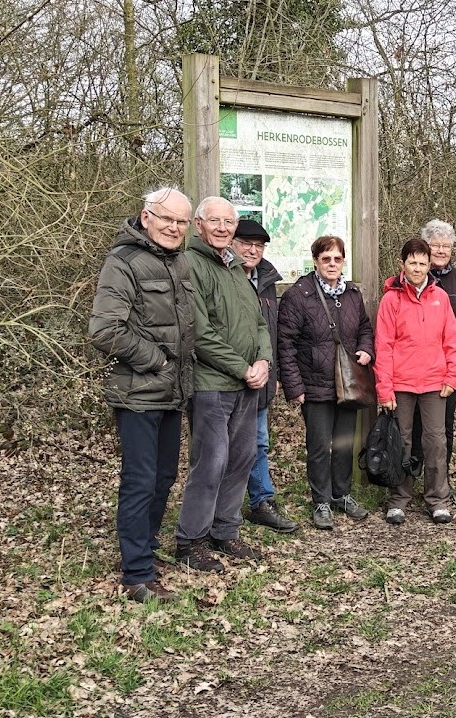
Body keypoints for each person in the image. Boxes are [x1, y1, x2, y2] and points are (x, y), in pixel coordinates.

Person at [89, 187, 195, 603]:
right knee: (140, 480)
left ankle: (145, 552)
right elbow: (104, 330)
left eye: (182, 221)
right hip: (138, 394)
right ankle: (136, 575)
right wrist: (159, 361)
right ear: (146, 216)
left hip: (172, 393)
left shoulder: (179, 261)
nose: (174, 227)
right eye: (167, 218)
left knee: (164, 477)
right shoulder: (124, 262)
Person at [175, 197, 272, 571]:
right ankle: (190, 541)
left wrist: (263, 360)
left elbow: (259, 322)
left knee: (241, 458)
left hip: (248, 383)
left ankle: (224, 530)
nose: (222, 227)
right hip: (212, 384)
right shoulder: (190, 265)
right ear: (198, 224)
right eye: (213, 220)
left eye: (228, 221)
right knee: (211, 461)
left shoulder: (235, 267)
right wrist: (243, 368)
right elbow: (199, 333)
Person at [277, 235, 375, 530]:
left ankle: (341, 494)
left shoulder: (352, 294)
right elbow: (285, 344)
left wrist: (366, 350)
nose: (332, 264)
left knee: (344, 443)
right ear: (316, 261)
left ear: (343, 260)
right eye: (326, 258)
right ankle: (320, 500)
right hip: (315, 384)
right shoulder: (299, 295)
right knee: (319, 446)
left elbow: (364, 329)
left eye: (337, 258)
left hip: (348, 383)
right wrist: (295, 387)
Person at [376, 237, 456, 525]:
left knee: (436, 441)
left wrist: (453, 374)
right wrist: (384, 387)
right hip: (400, 383)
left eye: (422, 263)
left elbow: (451, 340)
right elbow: (384, 346)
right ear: (403, 264)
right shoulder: (392, 299)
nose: (417, 267)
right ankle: (399, 499)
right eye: (412, 262)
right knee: (401, 441)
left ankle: (438, 499)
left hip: (435, 383)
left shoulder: (440, 299)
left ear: (429, 266)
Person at [230, 219, 297, 533]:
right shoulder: (223, 275)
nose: (252, 250)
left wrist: (277, 372)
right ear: (232, 243)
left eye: (258, 245)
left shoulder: (267, 280)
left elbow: (274, 332)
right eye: (246, 243)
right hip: (228, 378)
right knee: (223, 446)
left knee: (258, 442)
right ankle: (223, 511)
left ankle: (260, 502)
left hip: (263, 377)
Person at [410, 219, 456, 476]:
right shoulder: (414, 278)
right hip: (415, 368)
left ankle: (440, 476)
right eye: (435, 245)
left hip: (450, 367)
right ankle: (414, 472)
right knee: (417, 425)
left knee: (445, 425)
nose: (441, 251)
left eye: (446, 246)